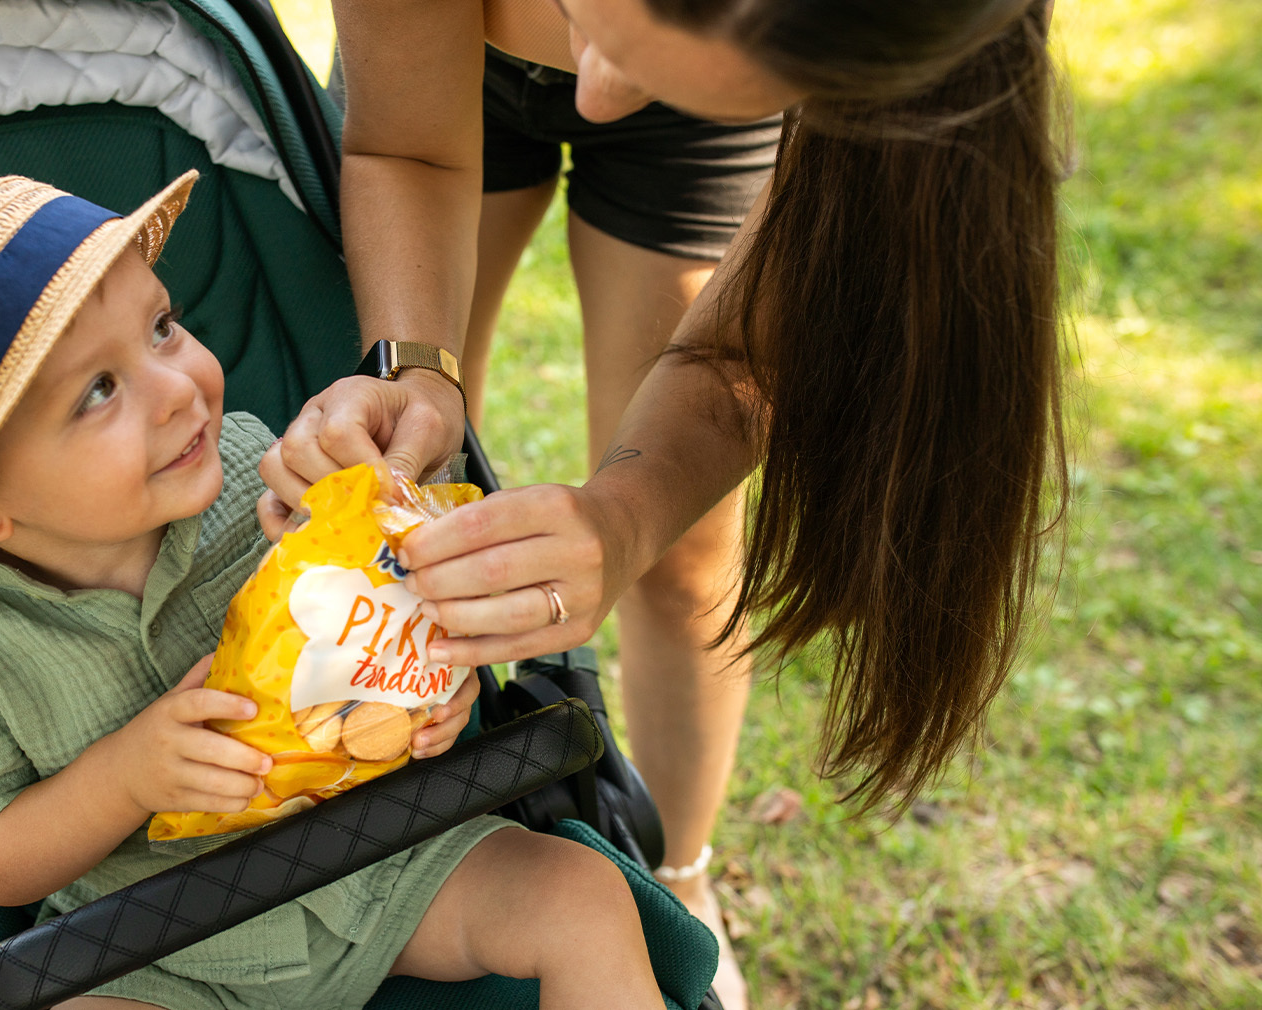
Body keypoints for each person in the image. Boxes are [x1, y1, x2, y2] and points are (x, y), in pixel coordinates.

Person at [263, 2, 1067, 1005]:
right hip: (439, 70)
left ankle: (680, 866)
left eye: (629, 62)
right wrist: (416, 370)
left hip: (705, 116)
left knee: (685, 555)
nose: (595, 94)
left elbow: (737, 357)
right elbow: (407, 148)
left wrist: (628, 516)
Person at [0, 166, 669, 1010]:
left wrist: (432, 691)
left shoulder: (260, 467)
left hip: (388, 859)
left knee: (580, 893)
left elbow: (385, 622)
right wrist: (125, 781)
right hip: (157, 948)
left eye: (160, 326)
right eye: (98, 390)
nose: (177, 389)